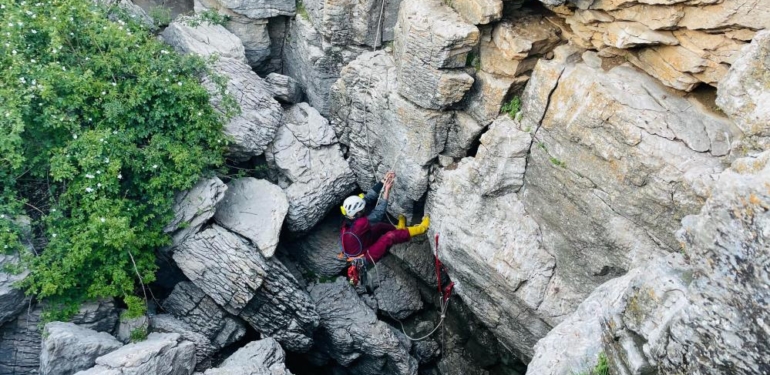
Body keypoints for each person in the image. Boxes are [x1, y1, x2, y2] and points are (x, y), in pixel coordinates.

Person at [340, 171, 430, 263]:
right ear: (358, 212)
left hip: (362, 243)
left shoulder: (350, 216)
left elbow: (368, 198)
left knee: (379, 226)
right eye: (362, 209)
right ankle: (422, 229)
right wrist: (387, 190)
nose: (364, 209)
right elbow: (378, 213)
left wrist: (383, 181)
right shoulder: (359, 225)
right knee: (389, 237)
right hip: (366, 256)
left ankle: (400, 229)